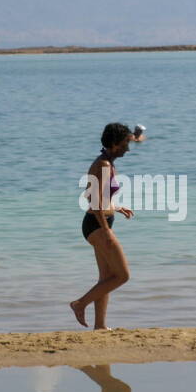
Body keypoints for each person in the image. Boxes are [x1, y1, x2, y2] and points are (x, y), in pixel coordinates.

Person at [70, 123, 134, 329]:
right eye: (125, 144)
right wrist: (106, 230)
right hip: (99, 226)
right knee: (123, 276)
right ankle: (80, 304)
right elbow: (95, 201)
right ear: (115, 144)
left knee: (106, 278)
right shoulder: (105, 165)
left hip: (96, 223)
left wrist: (115, 207)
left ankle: (100, 326)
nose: (128, 148)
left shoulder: (105, 162)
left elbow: (92, 195)